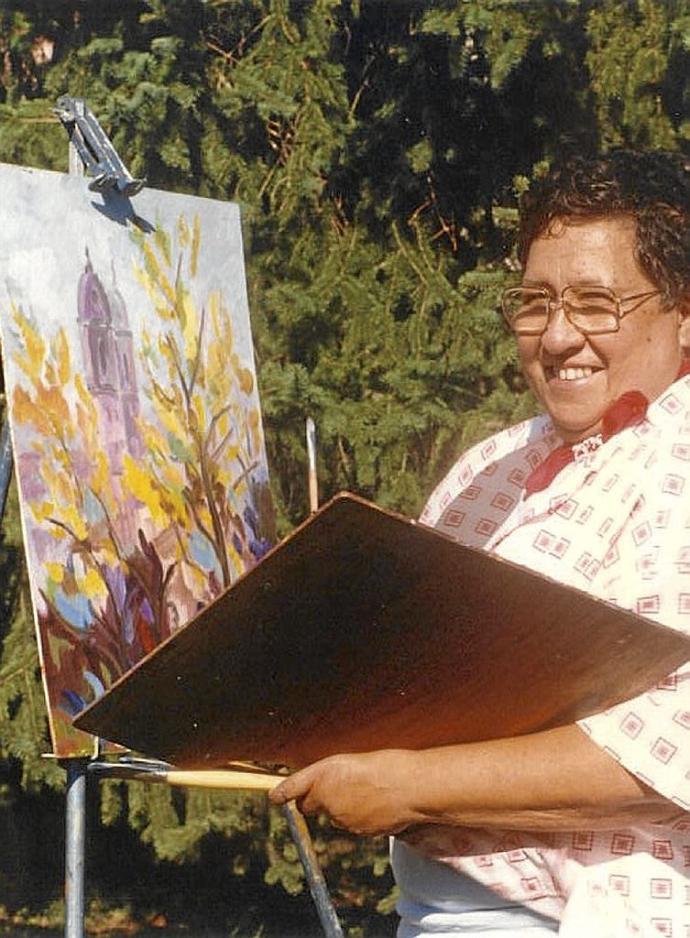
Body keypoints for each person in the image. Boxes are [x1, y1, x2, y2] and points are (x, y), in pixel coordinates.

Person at [270, 150, 690, 937]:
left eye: (596, 303)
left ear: (683, 308)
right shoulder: (491, 464)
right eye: (534, 302)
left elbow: (678, 744)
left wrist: (413, 785)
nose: (558, 336)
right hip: (437, 907)